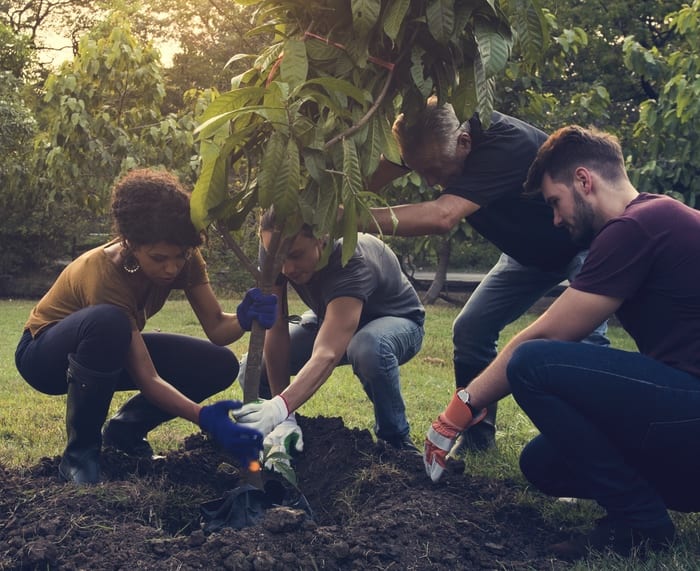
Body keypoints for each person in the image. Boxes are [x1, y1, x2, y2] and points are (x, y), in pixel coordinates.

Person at [424, 125, 700, 558]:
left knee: (533, 363)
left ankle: (640, 522)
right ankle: (657, 498)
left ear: (584, 181)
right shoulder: (653, 218)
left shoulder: (637, 226)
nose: (554, 220)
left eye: (555, 202)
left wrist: (459, 408)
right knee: (544, 464)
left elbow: (550, 333)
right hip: (686, 416)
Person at [360, 97, 609, 452]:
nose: (431, 181)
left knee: (586, 342)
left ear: (464, 142)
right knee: (470, 330)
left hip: (582, 243)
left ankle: (595, 447)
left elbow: (441, 216)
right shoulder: (430, 135)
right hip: (528, 255)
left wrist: (349, 218)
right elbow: (372, 178)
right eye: (420, 170)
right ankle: (478, 434)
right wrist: (325, 203)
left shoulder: (506, 143)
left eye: (435, 168)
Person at [14, 168, 277, 485]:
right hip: (44, 356)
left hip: (110, 350)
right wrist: (205, 418)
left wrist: (245, 317)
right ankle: (80, 455)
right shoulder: (102, 273)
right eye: (159, 258)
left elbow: (219, 330)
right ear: (130, 244)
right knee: (108, 322)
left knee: (218, 365)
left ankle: (125, 431)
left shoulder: (185, 258)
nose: (171, 268)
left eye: (179, 256)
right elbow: (148, 378)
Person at [232, 211, 426, 460]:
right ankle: (282, 439)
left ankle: (396, 444)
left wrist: (280, 406)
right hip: (330, 318)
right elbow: (276, 325)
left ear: (322, 240)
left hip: (396, 322)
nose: (286, 268)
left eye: (296, 256)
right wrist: (284, 418)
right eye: (277, 259)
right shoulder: (275, 249)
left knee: (368, 346)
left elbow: (327, 353)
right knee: (252, 366)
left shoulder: (351, 258)